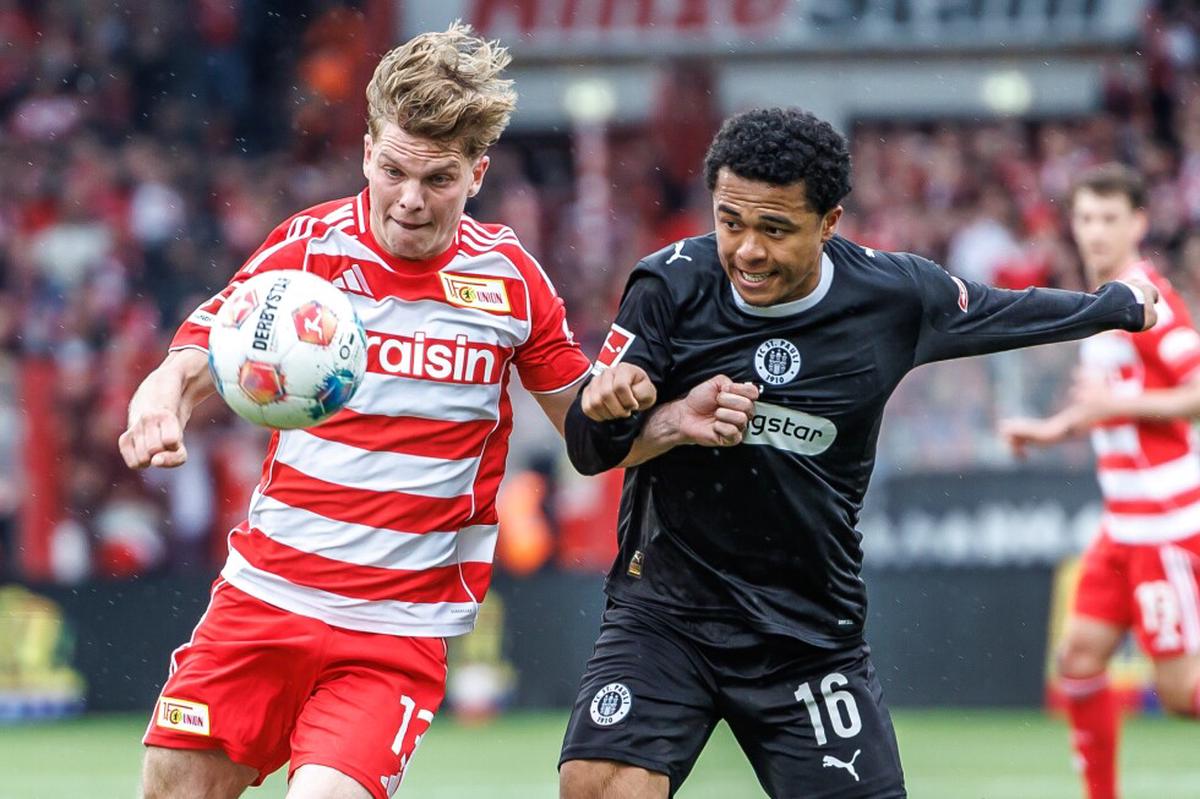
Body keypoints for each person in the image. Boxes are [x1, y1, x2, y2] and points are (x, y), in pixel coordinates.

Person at [556, 109, 1160, 799]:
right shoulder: (669, 285)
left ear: (829, 222)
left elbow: (1005, 310)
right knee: (596, 782)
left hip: (806, 633)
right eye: (730, 222)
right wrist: (638, 415)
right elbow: (587, 447)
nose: (747, 250)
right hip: (665, 615)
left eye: (774, 229)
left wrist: (1115, 304)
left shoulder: (892, 295)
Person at [119, 24, 596, 799]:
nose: (409, 199)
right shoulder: (306, 251)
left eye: (438, 178)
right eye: (393, 170)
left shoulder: (510, 282)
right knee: (172, 788)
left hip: (394, 632)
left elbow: (592, 427)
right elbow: (191, 359)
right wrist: (159, 406)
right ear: (367, 152)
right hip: (263, 597)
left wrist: (671, 415)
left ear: (476, 174)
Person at [999, 163, 1200, 799]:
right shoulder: (1106, 303)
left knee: (1181, 696)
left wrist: (1115, 406)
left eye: (1110, 218)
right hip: (1123, 525)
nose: (1095, 231)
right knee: (1079, 659)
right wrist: (1052, 430)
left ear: (1139, 223)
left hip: (1168, 524)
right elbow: (1109, 406)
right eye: (1085, 217)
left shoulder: (1149, 300)